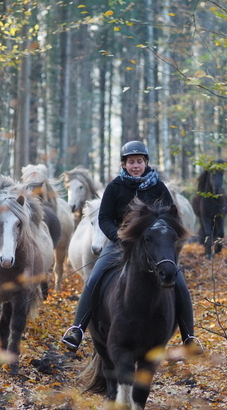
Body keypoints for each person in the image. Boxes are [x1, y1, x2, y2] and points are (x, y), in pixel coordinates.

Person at [61, 140, 197, 351]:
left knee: (179, 282)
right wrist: (118, 237)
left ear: (146, 163)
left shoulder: (158, 187)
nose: (135, 166)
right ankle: (77, 328)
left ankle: (189, 337)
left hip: (152, 247)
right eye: (131, 162)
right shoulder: (115, 187)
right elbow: (104, 217)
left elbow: (172, 217)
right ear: (124, 164)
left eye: (139, 161)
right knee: (95, 277)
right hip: (119, 244)